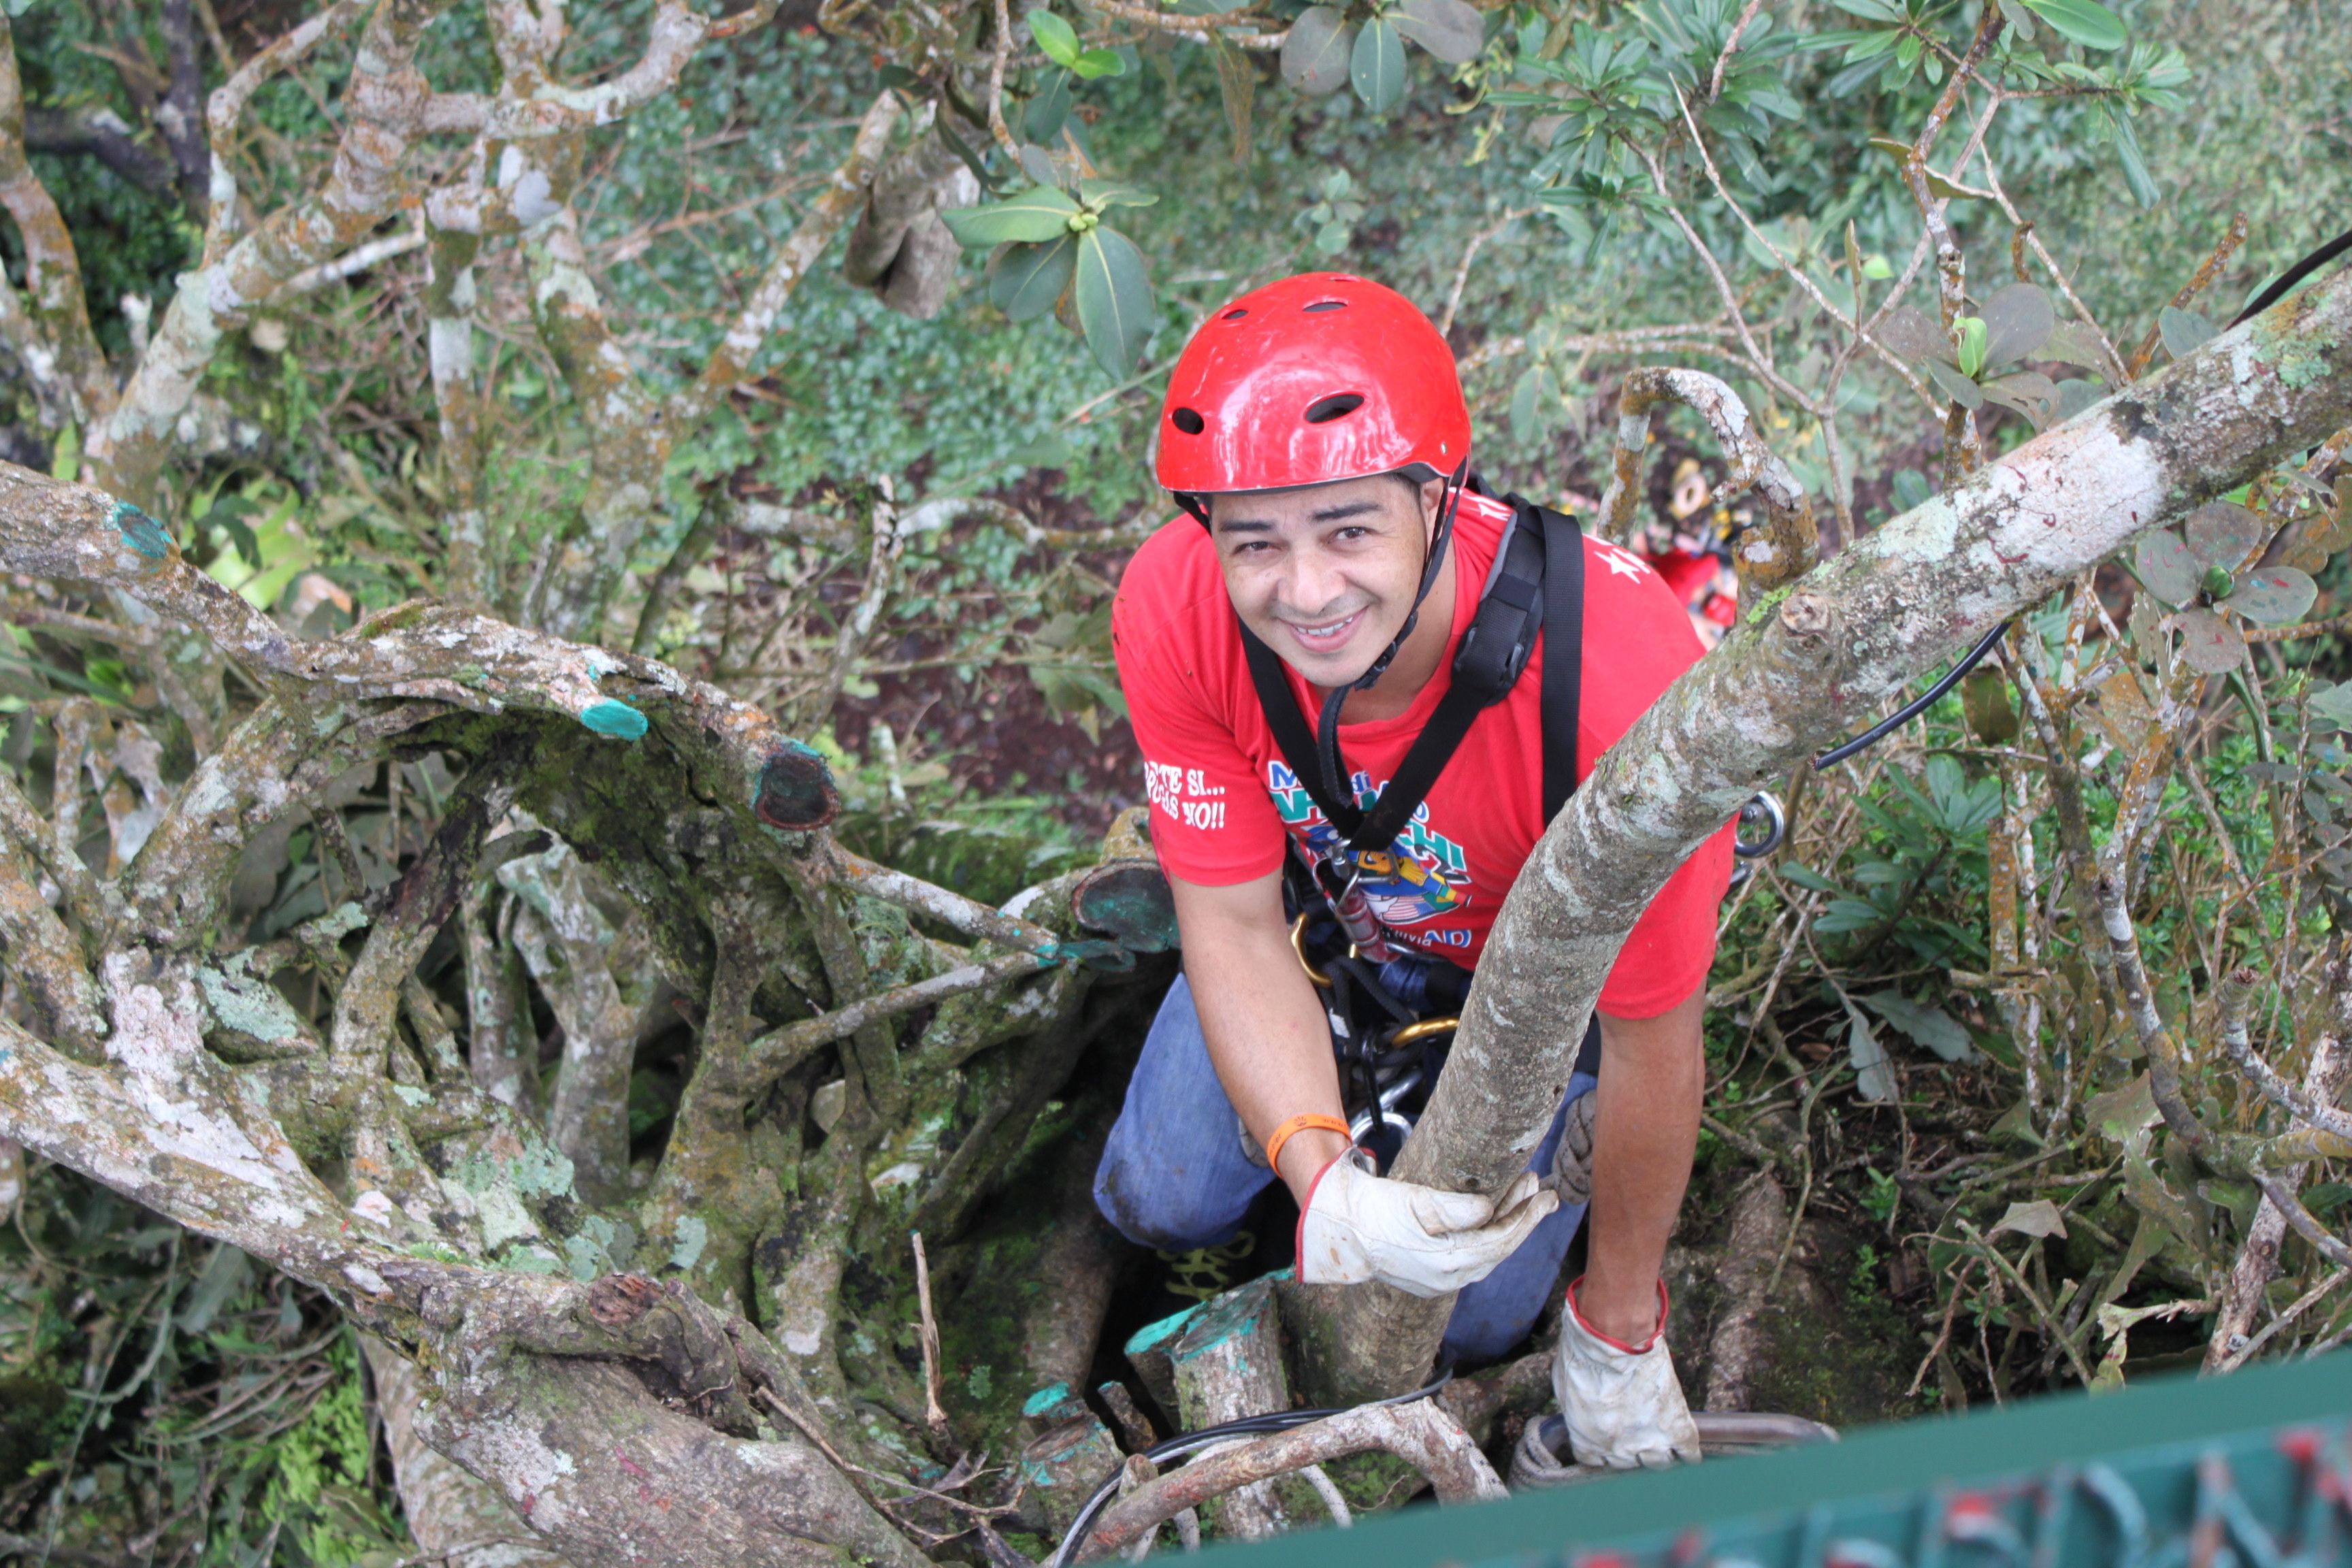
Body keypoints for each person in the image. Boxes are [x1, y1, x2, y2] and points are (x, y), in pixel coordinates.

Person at [1093, 272, 1735, 1472]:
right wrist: (1321, 1175)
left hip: (1535, 1018)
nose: (1308, 592)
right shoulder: (1176, 608)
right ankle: (1240, 1275)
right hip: (1329, 946)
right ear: (1209, 539)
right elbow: (1230, 924)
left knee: (1481, 1320)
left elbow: (1655, 1038)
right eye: (1256, 543)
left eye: (1349, 528)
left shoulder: (1618, 686)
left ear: (1436, 498)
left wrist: (1619, 1334)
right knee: (1155, 1192)